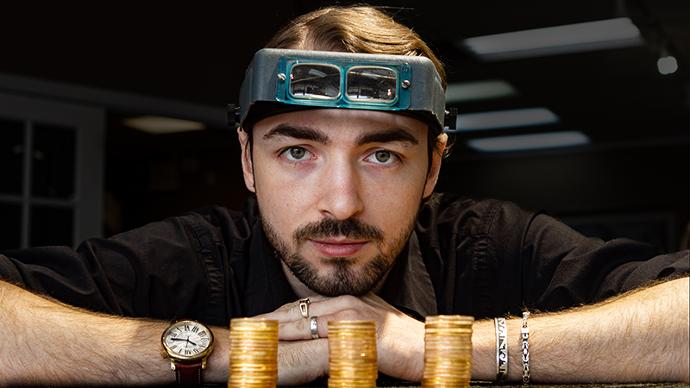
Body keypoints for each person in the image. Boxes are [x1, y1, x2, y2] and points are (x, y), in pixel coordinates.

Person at [0, 5, 688, 386]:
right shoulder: (190, 256)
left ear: (434, 167)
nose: (341, 202)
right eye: (297, 151)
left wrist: (436, 350)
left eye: (382, 153)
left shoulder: (491, 245)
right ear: (246, 159)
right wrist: (215, 353)